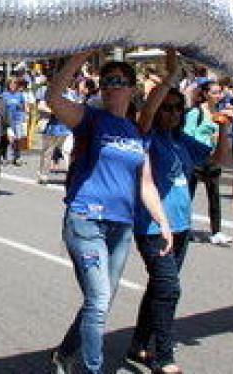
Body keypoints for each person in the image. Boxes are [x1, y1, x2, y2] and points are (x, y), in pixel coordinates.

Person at [46, 51, 172, 374]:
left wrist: (163, 221)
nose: (113, 86)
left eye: (121, 82)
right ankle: (92, 368)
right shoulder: (90, 120)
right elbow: (53, 97)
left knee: (99, 301)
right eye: (108, 81)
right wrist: (80, 56)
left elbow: (146, 183)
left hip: (122, 227)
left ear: (132, 89)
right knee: (99, 300)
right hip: (86, 220)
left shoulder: (136, 132)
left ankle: (63, 354)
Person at [128, 50, 233, 374]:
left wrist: (226, 128)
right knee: (170, 289)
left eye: (178, 108)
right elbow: (144, 116)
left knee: (159, 288)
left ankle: (137, 345)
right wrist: (171, 76)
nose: (173, 113)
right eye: (167, 108)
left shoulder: (183, 141)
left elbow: (217, 161)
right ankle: (162, 356)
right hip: (152, 227)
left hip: (182, 226)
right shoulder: (146, 136)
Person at [183, 81, 233, 246]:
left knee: (214, 195)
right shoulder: (195, 113)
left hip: (212, 159)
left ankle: (216, 231)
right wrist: (203, 144)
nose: (218, 96)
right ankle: (184, 228)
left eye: (220, 92)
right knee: (188, 195)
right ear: (205, 94)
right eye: (214, 92)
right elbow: (187, 136)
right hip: (196, 160)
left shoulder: (219, 113)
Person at [1, 76, 30, 166]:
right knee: (6, 139)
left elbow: (24, 107)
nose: (13, 85)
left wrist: (24, 113)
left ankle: (17, 157)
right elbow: (1, 108)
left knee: (18, 139)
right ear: (8, 84)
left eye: (15, 83)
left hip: (17, 119)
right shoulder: (4, 95)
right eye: (11, 83)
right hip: (7, 121)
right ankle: (4, 158)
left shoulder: (20, 95)